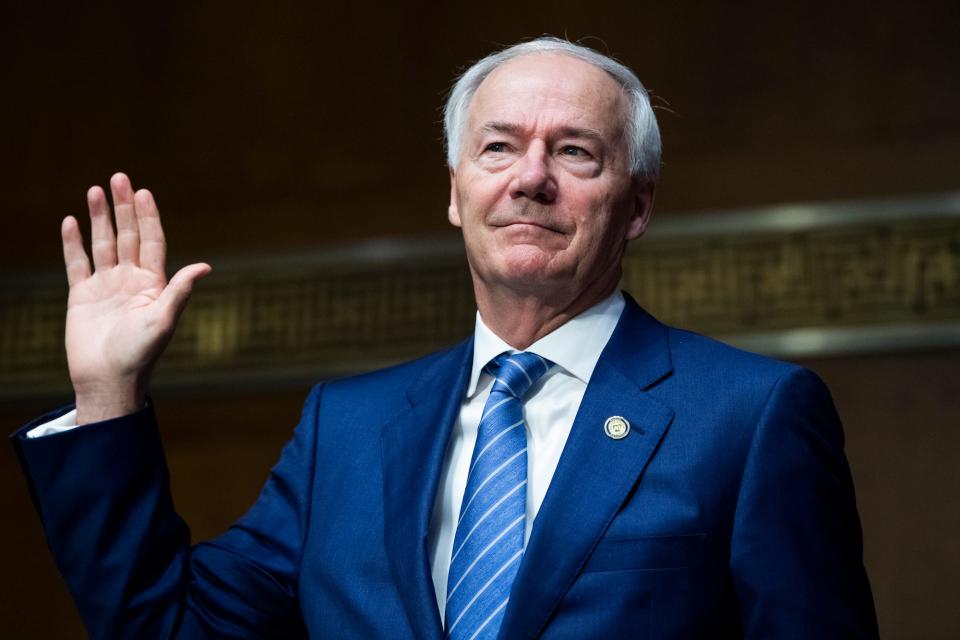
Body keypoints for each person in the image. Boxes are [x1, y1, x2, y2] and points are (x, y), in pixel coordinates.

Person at [13, 37, 879, 639]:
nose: (531, 178)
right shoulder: (344, 431)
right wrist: (106, 397)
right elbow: (172, 630)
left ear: (638, 205)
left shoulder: (750, 415)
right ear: (457, 193)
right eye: (498, 147)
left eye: (575, 152)